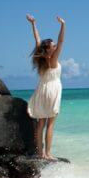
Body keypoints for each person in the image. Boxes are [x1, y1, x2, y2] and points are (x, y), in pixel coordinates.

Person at [26, 14, 65, 159]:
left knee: (40, 124)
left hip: (41, 90)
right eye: (53, 46)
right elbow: (61, 41)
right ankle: (48, 153)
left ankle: (39, 153)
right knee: (50, 124)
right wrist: (63, 25)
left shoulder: (41, 58)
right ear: (49, 50)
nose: (55, 47)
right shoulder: (53, 59)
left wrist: (33, 24)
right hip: (53, 90)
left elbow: (37, 40)